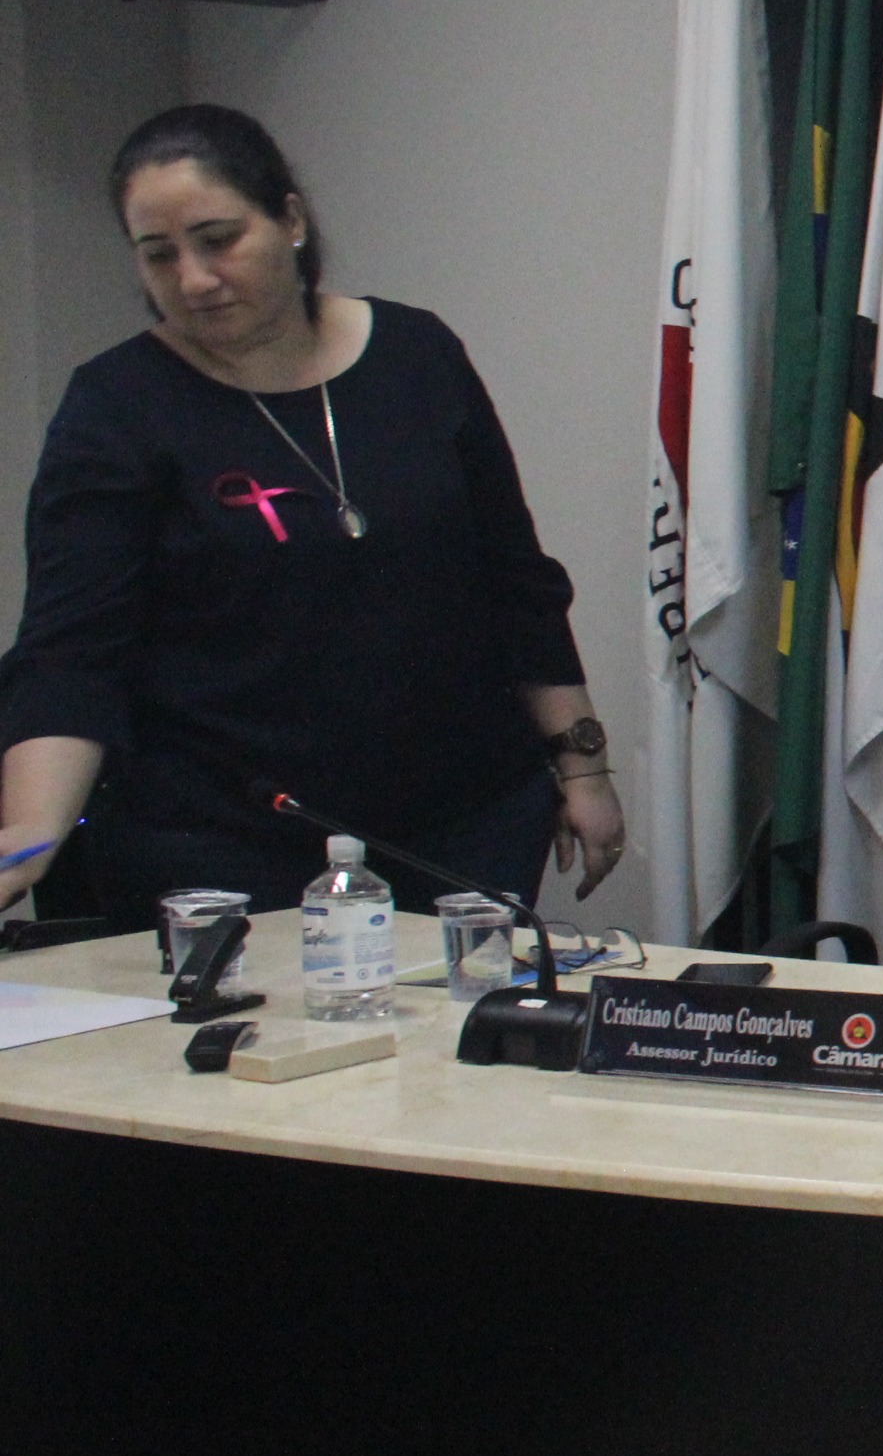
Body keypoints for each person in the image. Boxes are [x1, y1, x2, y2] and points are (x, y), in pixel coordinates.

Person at [0, 105, 625, 927]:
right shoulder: (117, 406)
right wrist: (29, 835)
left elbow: (517, 582)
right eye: (159, 255)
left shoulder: (418, 354)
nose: (194, 279)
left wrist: (582, 766)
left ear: (290, 220)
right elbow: (71, 653)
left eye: (218, 239)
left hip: (461, 822)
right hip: (222, 839)